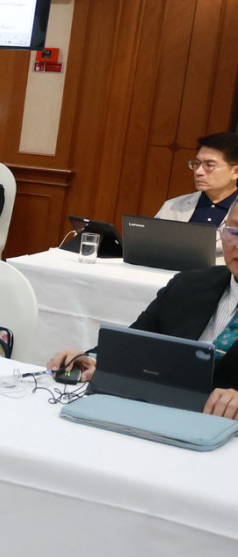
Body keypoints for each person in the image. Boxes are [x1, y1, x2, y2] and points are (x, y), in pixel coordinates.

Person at [49, 202, 238, 418]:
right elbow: (137, 341)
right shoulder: (189, 285)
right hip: (159, 408)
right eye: (234, 231)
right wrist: (94, 359)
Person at [157, 132, 238, 225]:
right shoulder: (172, 206)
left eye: (210, 165)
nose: (198, 172)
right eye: (196, 163)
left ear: (235, 172)